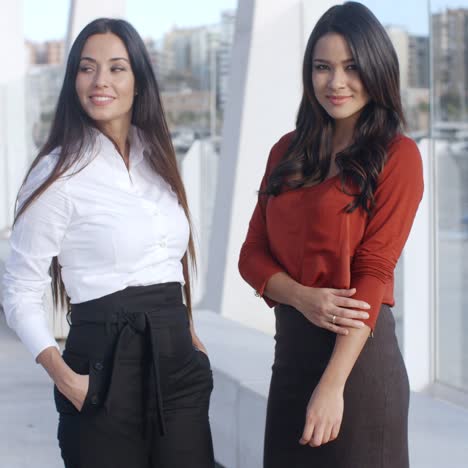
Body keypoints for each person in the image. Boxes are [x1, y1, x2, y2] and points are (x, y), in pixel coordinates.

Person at [2, 18, 214, 468]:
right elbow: (19, 291)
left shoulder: (155, 156)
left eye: (116, 68)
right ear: (72, 80)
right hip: (100, 371)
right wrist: (63, 376)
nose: (101, 81)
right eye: (87, 68)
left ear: (138, 81)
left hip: (177, 364)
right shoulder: (56, 174)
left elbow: (169, 258)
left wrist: (189, 338)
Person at [238, 2, 423, 467]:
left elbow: (375, 270)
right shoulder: (287, 150)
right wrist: (302, 297)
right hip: (292, 355)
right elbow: (251, 255)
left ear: (377, 68)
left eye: (351, 66)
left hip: (357, 365)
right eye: (323, 67)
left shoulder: (398, 156)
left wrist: (333, 384)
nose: (335, 82)